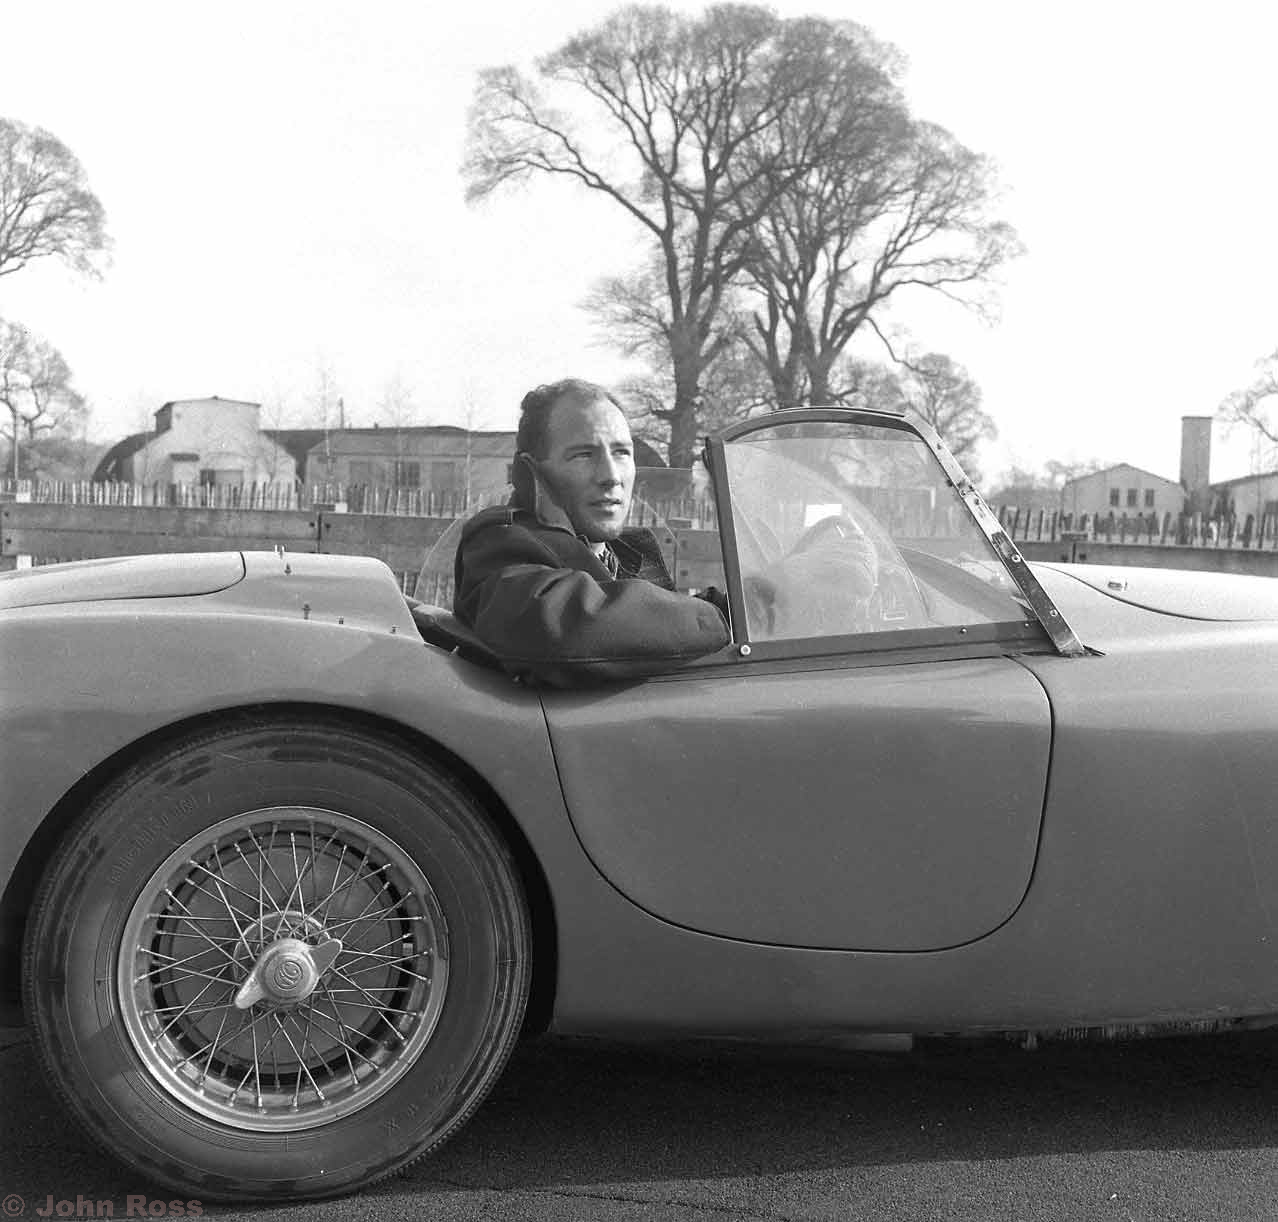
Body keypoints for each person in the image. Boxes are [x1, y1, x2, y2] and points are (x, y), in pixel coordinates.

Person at [452, 378, 730, 687]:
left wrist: (739, 609)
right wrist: (714, 618)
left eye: (621, 452)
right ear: (533, 472)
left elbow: (654, 627)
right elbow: (558, 626)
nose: (611, 476)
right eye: (584, 455)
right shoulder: (499, 542)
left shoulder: (629, 552)